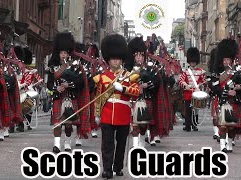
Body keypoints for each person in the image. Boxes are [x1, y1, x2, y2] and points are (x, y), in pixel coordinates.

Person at [93, 34, 140, 179]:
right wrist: (97, 114)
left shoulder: (129, 76)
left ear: (121, 59)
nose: (115, 61)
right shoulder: (101, 77)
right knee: (107, 145)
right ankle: (107, 169)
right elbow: (99, 97)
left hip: (123, 114)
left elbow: (136, 92)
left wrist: (123, 89)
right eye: (113, 58)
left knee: (121, 144)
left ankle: (118, 167)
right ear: (108, 59)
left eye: (118, 58)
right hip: (107, 114)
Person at [210, 39, 241, 152]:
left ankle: (229, 144)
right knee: (223, 126)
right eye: (224, 59)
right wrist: (226, 92)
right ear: (222, 60)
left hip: (235, 102)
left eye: (228, 59)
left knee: (231, 127)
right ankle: (222, 146)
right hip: (223, 102)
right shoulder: (216, 74)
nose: (226, 62)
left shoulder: (237, 73)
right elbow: (214, 88)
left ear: (231, 60)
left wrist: (238, 87)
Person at [47, 32, 90, 153]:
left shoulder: (75, 66)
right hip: (58, 97)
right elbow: (49, 84)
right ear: (58, 53)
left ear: (69, 53)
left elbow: (81, 82)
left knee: (68, 124)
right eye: (61, 53)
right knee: (57, 123)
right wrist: (56, 88)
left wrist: (68, 85)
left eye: (65, 53)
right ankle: (56, 145)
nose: (63, 55)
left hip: (70, 97)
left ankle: (67, 142)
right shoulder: (52, 67)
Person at [125, 36, 160, 147]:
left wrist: (147, 85)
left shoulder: (150, 68)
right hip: (133, 98)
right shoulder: (128, 69)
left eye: (141, 55)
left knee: (143, 124)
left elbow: (156, 82)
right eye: (137, 55)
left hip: (146, 98)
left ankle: (142, 143)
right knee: (134, 124)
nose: (139, 58)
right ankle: (136, 145)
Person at [179, 47, 206, 132]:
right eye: (191, 61)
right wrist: (185, 85)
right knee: (188, 110)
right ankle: (188, 125)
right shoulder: (186, 72)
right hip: (188, 94)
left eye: (193, 61)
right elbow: (180, 80)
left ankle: (194, 125)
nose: (192, 63)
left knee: (196, 110)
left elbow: (204, 81)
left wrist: (201, 86)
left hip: (197, 93)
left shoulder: (201, 71)